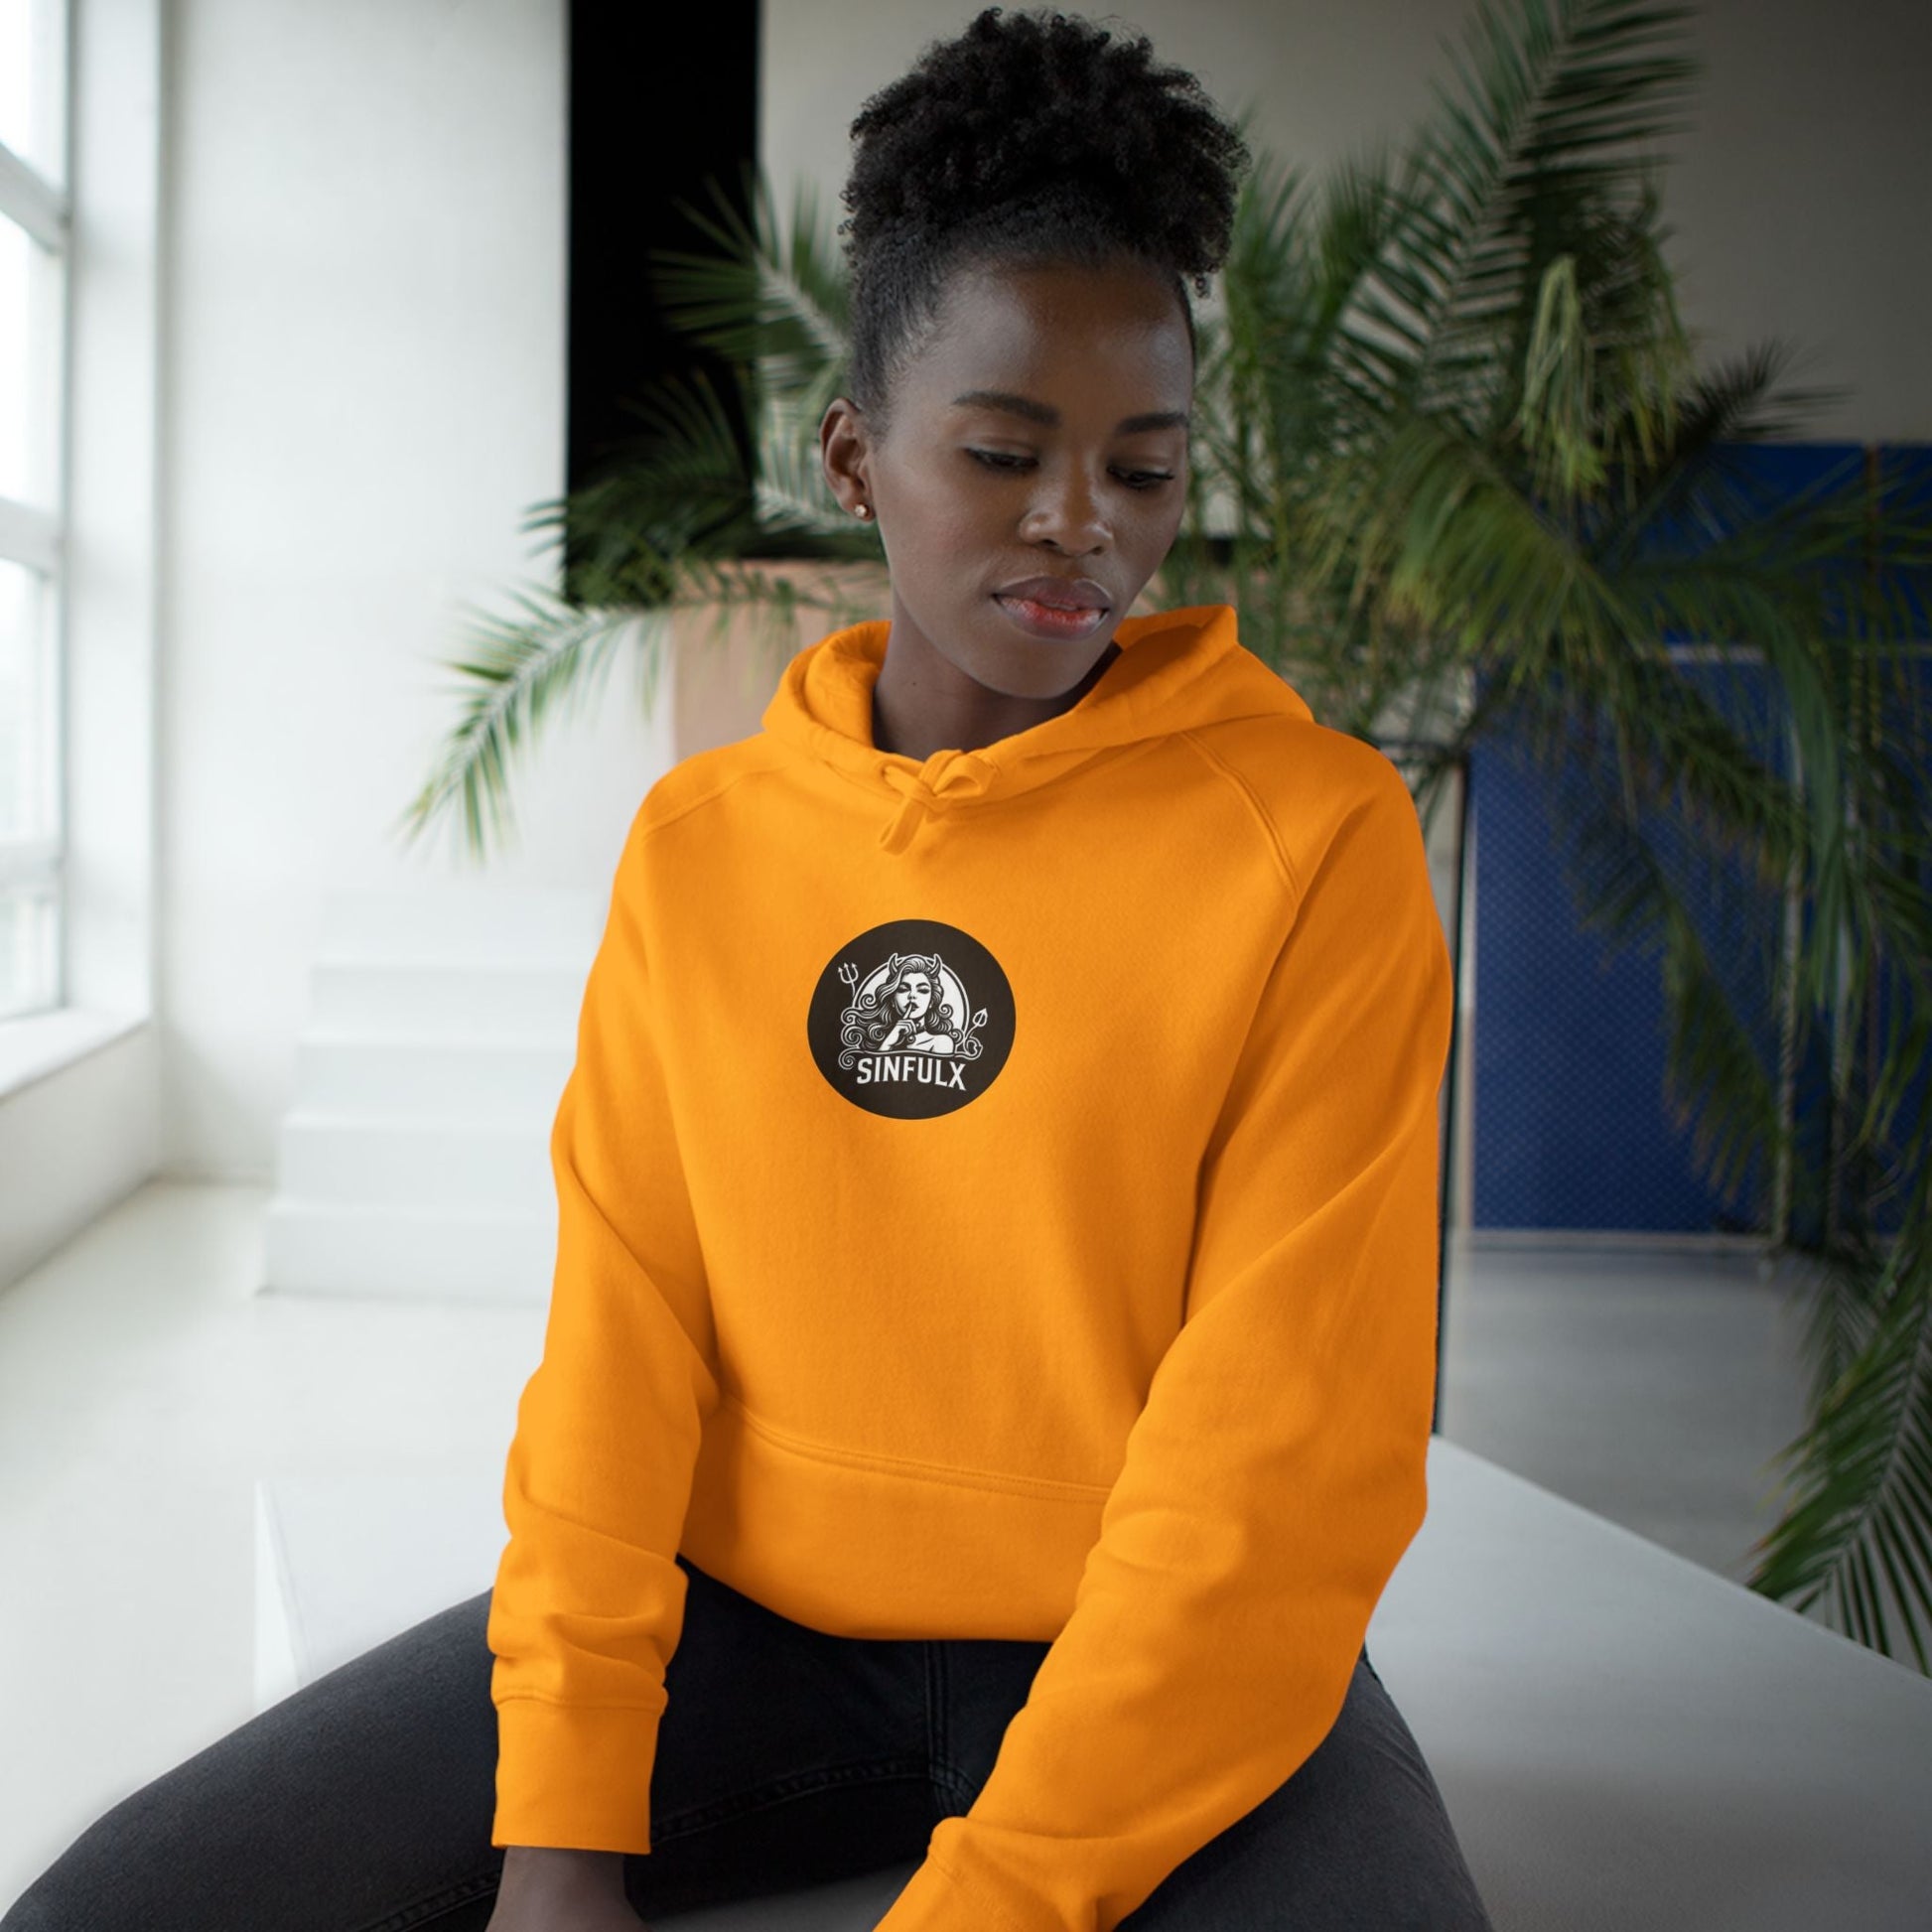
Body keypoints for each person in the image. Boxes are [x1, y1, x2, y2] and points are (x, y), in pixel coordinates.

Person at [1, 9, 1496, 1930]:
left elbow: (1282, 1450)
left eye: (1144, 465)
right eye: (1003, 451)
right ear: (852, 455)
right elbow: (621, 1345)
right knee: (113, 1907)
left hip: (1159, 1649)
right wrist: (561, 1838)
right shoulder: (702, 844)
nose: (1082, 524)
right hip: (749, 1636)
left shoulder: (1313, 837)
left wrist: (993, 1899)